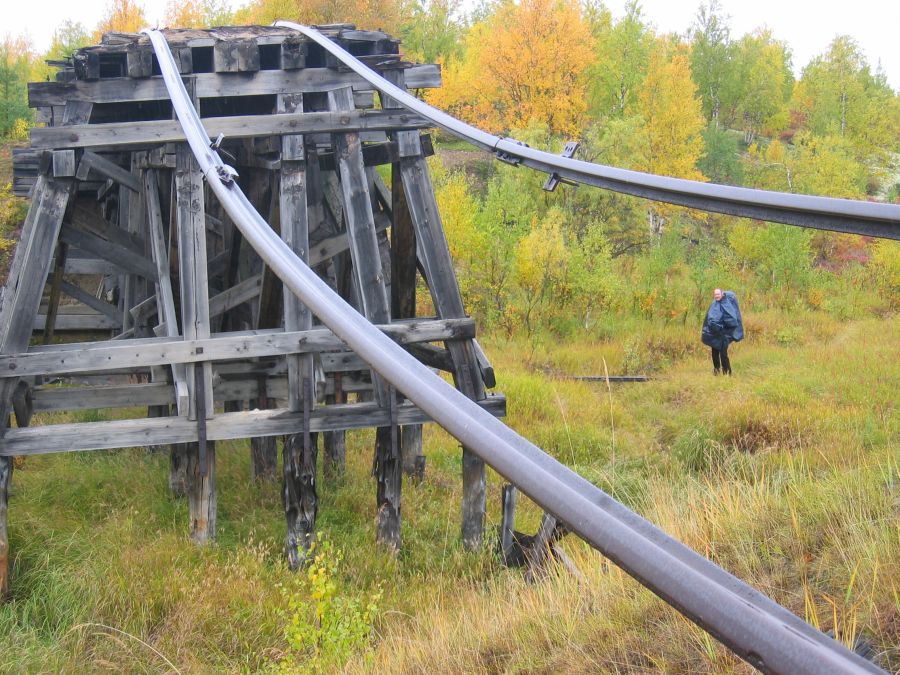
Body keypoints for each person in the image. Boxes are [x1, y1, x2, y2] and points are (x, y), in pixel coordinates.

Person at [701, 288, 743, 375]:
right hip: (715, 333)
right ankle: (716, 371)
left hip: (724, 334)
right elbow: (710, 318)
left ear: (722, 294)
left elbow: (732, 319)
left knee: (723, 354)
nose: (716, 296)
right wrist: (714, 326)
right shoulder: (714, 303)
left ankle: (727, 372)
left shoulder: (727, 304)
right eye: (715, 294)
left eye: (718, 294)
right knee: (714, 353)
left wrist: (722, 326)